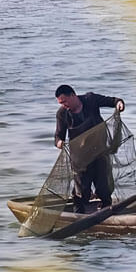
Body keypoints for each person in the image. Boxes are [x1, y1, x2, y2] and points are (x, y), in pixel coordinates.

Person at [54, 84, 125, 213]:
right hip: (80, 158)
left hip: (99, 151)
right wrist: (59, 143)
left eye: (64, 101)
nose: (63, 105)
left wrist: (119, 103)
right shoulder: (62, 114)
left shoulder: (90, 100)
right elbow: (58, 136)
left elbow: (112, 101)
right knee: (82, 190)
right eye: (60, 103)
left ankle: (106, 209)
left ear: (73, 95)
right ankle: (79, 213)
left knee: (103, 186)